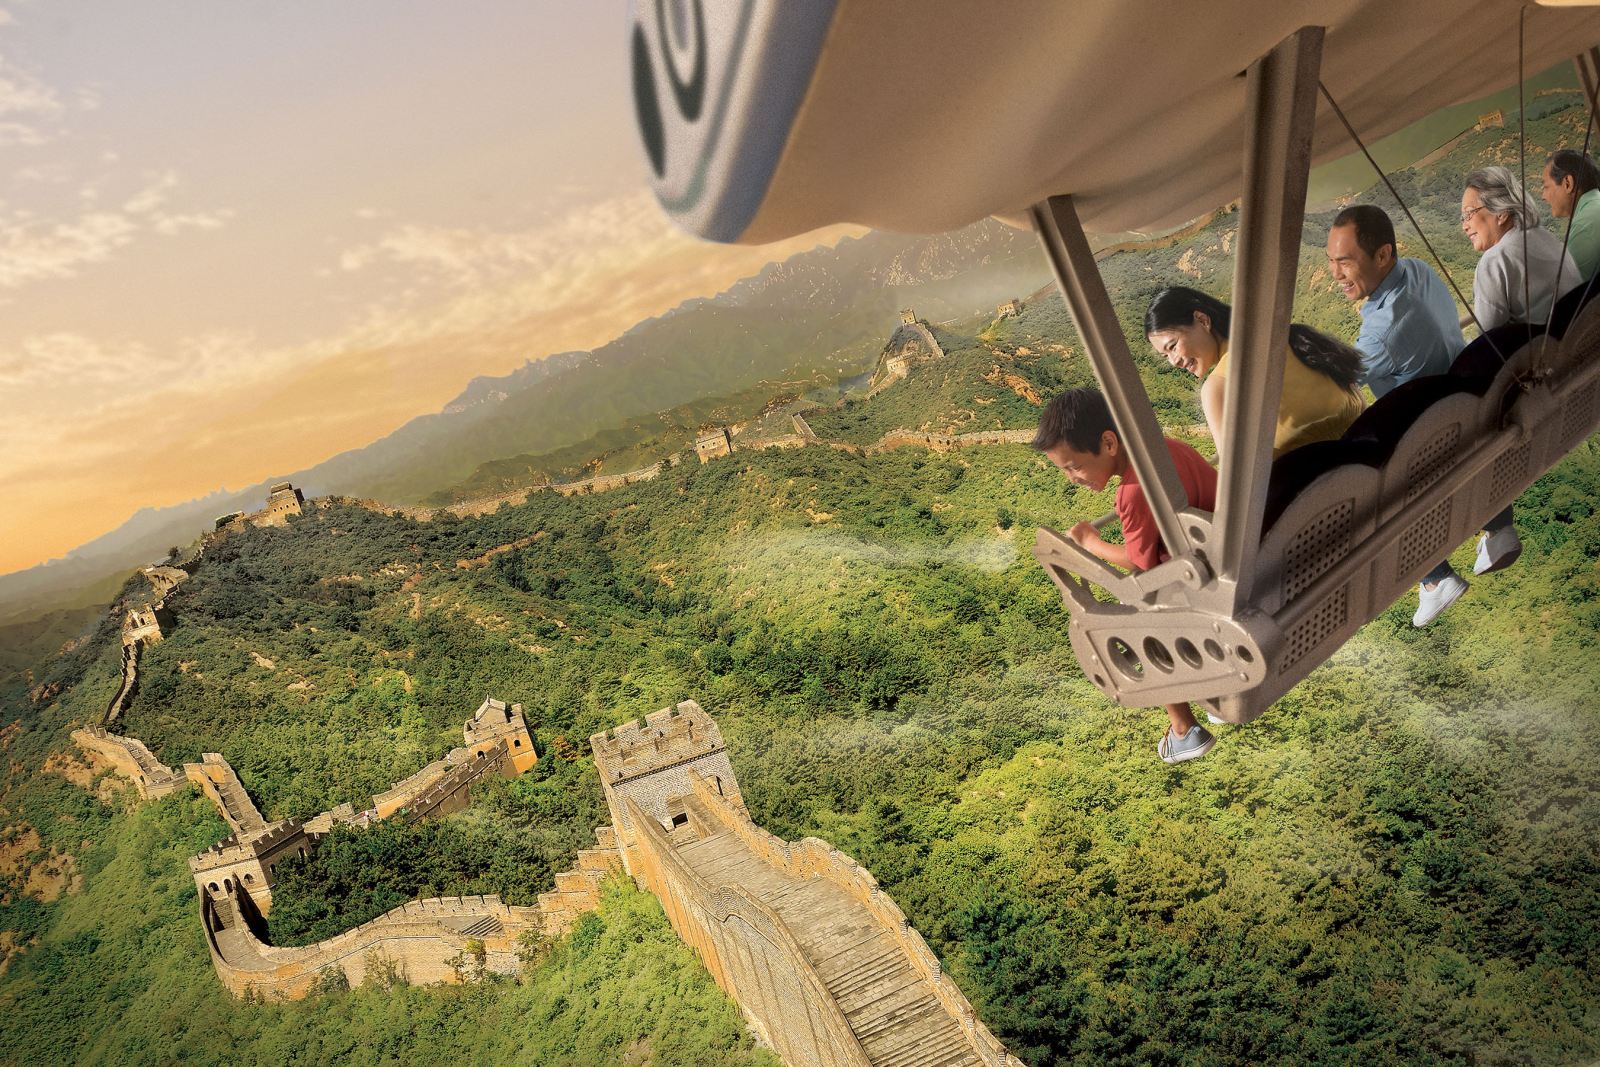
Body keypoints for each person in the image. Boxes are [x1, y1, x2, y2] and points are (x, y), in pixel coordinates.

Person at [1032, 387, 1219, 764]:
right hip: (1220, 560)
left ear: (1108, 442)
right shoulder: (1170, 450)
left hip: (1201, 587)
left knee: (1133, 612)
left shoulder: (1133, 491)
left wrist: (1089, 541)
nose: (1071, 478)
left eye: (1074, 466)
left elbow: (1136, 563)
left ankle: (1183, 729)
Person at [1325, 204, 1471, 626]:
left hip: (1431, 440)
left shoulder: (1382, 330)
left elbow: (1338, 383)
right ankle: (1495, 526)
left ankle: (1435, 579)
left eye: (1345, 261)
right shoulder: (1419, 271)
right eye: (1331, 261)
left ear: (1383, 254)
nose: (1335, 274)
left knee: (1361, 488)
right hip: (1464, 404)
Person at [1459, 165, 1580, 582]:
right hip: (1575, 367)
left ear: (1501, 213)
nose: (1464, 225)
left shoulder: (1495, 262)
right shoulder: (1547, 240)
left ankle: (1495, 530)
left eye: (1469, 214)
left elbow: (1488, 351)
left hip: (1538, 387)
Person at [1142, 286, 1365, 460]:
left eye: (1173, 346)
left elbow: (1239, 483)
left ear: (1202, 320)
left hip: (1316, 495)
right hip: (1372, 460)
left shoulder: (1217, 387)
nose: (1174, 361)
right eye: (1165, 355)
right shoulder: (1287, 336)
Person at [1538, 148, 1600, 283]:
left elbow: (1566, 287)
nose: (1543, 196)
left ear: (1568, 183)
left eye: (1546, 187)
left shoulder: (1585, 225)